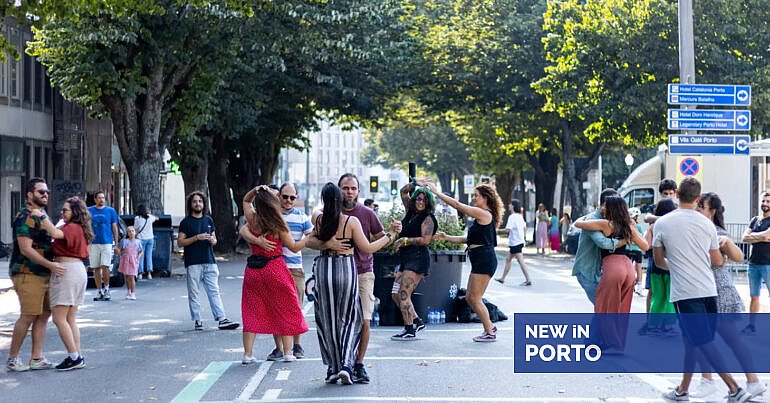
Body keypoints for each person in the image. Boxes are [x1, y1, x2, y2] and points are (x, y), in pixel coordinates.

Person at [653, 177, 751, 402]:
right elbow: (717, 261)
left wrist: (676, 265)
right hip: (708, 290)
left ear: (676, 194)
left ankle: (734, 388)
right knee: (692, 341)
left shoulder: (663, 223)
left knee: (702, 342)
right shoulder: (707, 224)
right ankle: (682, 391)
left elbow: (659, 261)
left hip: (685, 292)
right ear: (698, 199)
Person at [307, 182, 397, 384]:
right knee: (351, 318)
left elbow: (307, 239)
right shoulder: (351, 221)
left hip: (324, 269)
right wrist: (390, 236)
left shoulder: (319, 220)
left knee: (328, 320)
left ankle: (332, 367)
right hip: (347, 269)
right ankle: (347, 365)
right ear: (340, 199)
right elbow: (368, 247)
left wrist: (326, 244)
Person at [690, 193, 766, 398]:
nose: (697, 211)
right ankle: (748, 381)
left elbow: (733, 258)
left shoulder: (715, 232)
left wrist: (726, 245)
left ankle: (716, 380)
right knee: (706, 340)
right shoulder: (707, 230)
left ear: (711, 211)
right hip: (710, 291)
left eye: (701, 207)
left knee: (715, 340)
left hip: (717, 293)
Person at [240, 183, 313, 360]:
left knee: (251, 311)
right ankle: (288, 352)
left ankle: (247, 354)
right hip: (275, 269)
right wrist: (309, 237)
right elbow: (294, 247)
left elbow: (245, 200)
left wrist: (255, 189)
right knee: (286, 308)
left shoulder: (253, 219)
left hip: (254, 270)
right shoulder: (278, 223)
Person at [336, 173, 398, 383]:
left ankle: (359, 363)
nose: (349, 192)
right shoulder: (332, 213)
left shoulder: (367, 213)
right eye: (345, 188)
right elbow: (316, 237)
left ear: (358, 191)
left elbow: (382, 238)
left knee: (365, 320)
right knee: (340, 322)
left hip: (363, 272)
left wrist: (392, 234)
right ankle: (339, 364)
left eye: (353, 188)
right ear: (339, 190)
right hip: (340, 273)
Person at [429, 182, 504, 342]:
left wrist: (437, 192)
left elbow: (457, 205)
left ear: (485, 198)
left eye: (476, 195)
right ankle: (489, 325)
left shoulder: (484, 214)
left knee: (475, 298)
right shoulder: (481, 217)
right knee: (469, 297)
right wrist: (447, 237)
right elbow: (469, 240)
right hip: (479, 259)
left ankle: (489, 332)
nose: (473, 198)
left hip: (484, 260)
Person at [573, 196, 648, 352]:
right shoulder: (629, 227)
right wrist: (628, 237)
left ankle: (609, 343)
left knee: (606, 307)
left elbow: (579, 224)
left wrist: (588, 217)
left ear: (612, 209)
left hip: (613, 267)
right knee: (622, 308)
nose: (603, 209)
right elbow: (646, 246)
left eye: (606, 206)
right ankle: (617, 343)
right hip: (628, 268)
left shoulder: (606, 224)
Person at [6, 178, 65, 372]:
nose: (46, 195)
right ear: (30, 194)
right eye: (41, 192)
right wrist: (51, 265)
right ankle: (13, 358)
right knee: (28, 315)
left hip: (43, 272)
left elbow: (55, 234)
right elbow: (25, 249)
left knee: (44, 314)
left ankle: (36, 357)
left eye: (47, 192)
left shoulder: (40, 214)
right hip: (27, 272)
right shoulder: (25, 216)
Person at [177, 191, 240, 331]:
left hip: (210, 261)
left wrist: (213, 240)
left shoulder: (208, 220)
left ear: (204, 204)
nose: (197, 203)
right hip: (193, 263)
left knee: (214, 291)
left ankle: (222, 319)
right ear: (190, 204)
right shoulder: (185, 222)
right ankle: (197, 320)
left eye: (200, 201)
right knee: (194, 293)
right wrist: (196, 238)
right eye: (194, 201)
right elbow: (180, 242)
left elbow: (214, 238)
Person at [41, 196, 91, 371]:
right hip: (77, 270)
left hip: (66, 270)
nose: (62, 213)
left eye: (65, 210)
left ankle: (74, 356)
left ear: (75, 212)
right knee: (70, 318)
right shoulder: (80, 228)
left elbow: (55, 233)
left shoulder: (72, 227)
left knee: (59, 318)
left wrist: (41, 215)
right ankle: (77, 354)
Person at [390, 185, 438, 341]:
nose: (421, 202)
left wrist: (405, 240)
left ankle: (409, 329)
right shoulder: (410, 213)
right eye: (418, 198)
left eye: (424, 199)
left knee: (404, 294)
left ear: (428, 202)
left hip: (417, 259)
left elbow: (425, 240)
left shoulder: (428, 218)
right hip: (405, 259)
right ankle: (417, 321)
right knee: (395, 295)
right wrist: (416, 182)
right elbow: (403, 191)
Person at [572, 188, 625, 305]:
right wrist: (624, 241)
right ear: (602, 205)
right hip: (587, 271)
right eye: (611, 205)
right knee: (604, 307)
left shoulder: (608, 219)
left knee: (604, 309)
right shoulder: (592, 220)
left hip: (598, 271)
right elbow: (603, 243)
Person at [642, 199, 677, 336]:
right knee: (670, 296)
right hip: (671, 265)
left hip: (655, 266)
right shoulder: (674, 226)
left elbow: (647, 245)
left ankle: (653, 324)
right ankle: (667, 325)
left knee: (657, 296)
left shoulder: (653, 226)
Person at [740, 191, 770, 335]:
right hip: (753, 263)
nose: (765, 204)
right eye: (763, 201)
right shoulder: (755, 220)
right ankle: (751, 325)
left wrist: (754, 236)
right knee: (754, 296)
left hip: (768, 264)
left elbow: (767, 235)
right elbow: (744, 238)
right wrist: (761, 237)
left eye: (768, 201)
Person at [89, 191, 120, 301]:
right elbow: (87, 225)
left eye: (103, 198)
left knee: (105, 266)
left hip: (106, 242)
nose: (102, 200)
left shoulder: (110, 211)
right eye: (99, 198)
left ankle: (106, 288)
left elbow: (114, 227)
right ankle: (99, 290)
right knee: (96, 267)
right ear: (95, 199)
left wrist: (115, 244)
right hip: (94, 243)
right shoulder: (90, 210)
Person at [495, 199, 531, 286]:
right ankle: (502, 278)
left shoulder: (512, 217)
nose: (509, 206)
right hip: (519, 242)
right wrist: (523, 237)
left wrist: (496, 231)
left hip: (515, 243)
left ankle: (528, 279)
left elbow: (507, 230)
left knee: (520, 261)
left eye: (510, 204)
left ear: (513, 206)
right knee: (508, 260)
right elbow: (525, 228)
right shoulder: (520, 216)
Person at [118, 226, 143, 300]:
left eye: (132, 231)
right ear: (127, 233)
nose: (131, 232)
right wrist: (120, 253)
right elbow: (121, 250)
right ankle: (128, 291)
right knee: (126, 277)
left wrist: (138, 257)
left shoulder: (138, 242)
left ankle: (133, 293)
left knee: (132, 277)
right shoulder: (124, 241)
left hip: (133, 261)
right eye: (129, 231)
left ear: (135, 232)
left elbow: (141, 251)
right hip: (125, 260)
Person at [133, 204, 157, 280]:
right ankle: (149, 273)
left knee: (141, 256)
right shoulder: (150, 217)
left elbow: (135, 228)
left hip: (141, 239)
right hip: (150, 238)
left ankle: (140, 273)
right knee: (149, 256)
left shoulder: (137, 218)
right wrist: (149, 213)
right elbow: (157, 218)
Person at [626, 208, 644, 295]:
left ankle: (630, 284)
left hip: (627, 249)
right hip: (637, 249)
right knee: (639, 267)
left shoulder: (626, 226)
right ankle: (639, 286)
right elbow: (642, 237)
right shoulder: (639, 226)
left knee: (629, 266)